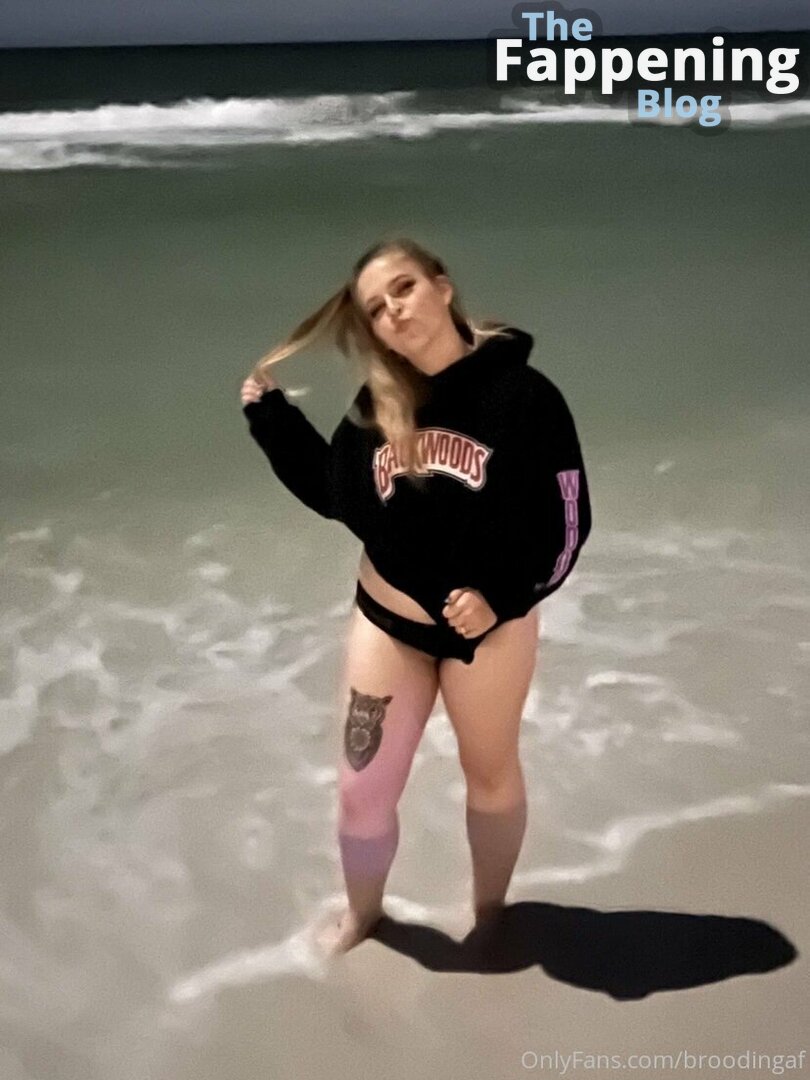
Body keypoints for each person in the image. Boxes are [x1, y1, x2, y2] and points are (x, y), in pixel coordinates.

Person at [239, 237, 592, 955]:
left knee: (490, 777)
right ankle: (364, 916)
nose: (393, 310)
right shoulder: (379, 405)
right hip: (389, 624)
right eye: (375, 308)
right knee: (360, 792)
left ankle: (490, 916)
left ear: (442, 286)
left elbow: (568, 523)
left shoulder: (526, 398)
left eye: (403, 288)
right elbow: (338, 496)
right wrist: (273, 422)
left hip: (490, 631)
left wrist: (502, 598)